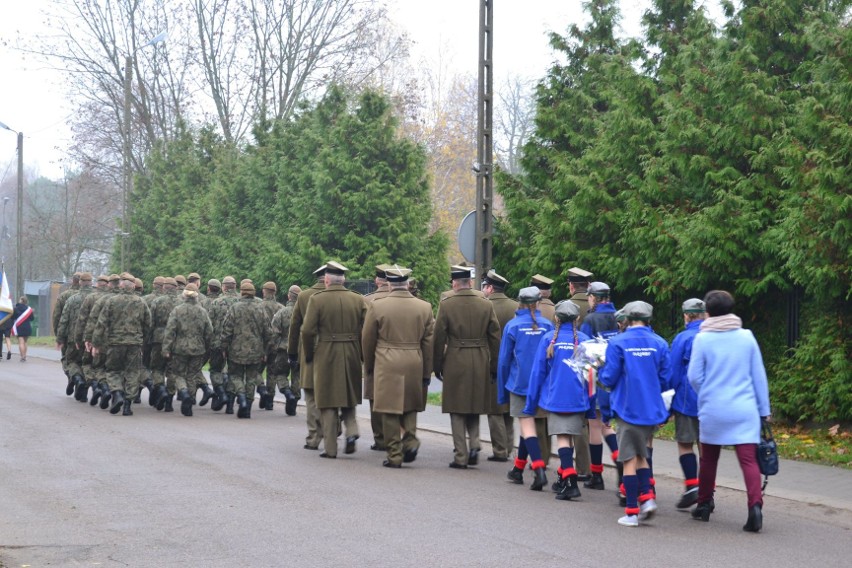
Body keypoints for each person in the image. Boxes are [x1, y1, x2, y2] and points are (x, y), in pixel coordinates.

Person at [687, 290, 770, 533]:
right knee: (748, 460)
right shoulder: (746, 337)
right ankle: (755, 506)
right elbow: (759, 376)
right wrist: (764, 410)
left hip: (714, 409)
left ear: (707, 313)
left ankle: (703, 505)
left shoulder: (702, 339)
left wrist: (708, 392)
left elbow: (694, 376)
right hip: (744, 409)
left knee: (709, 459)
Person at [598, 301, 670, 527]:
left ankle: (631, 511)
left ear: (626, 319)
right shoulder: (659, 343)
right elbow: (666, 379)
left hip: (628, 407)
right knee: (641, 455)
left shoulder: (618, 342)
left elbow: (609, 378)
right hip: (652, 408)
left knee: (628, 458)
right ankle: (647, 498)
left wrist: (599, 369)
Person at [361, 266, 435, 468]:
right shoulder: (424, 307)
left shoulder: (377, 306)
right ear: (407, 283)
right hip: (414, 360)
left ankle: (394, 454)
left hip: (386, 360)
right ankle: (410, 440)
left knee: (388, 407)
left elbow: (367, 339)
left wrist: (369, 365)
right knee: (410, 405)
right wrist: (427, 371)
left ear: (389, 283)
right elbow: (429, 343)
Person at [433, 265, 501, 469]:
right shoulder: (485, 303)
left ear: (454, 283)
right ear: (470, 282)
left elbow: (438, 338)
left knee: (457, 407)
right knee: (474, 403)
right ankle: (475, 443)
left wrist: (437, 365)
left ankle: (461, 455)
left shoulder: (447, 304)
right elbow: (495, 337)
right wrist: (494, 366)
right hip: (480, 357)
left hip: (456, 358)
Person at [526, 300, 591, 500]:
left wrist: (531, 403)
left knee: (562, 437)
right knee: (569, 435)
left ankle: (570, 482)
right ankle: (564, 476)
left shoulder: (548, 340)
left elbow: (538, 373)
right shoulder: (584, 340)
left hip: (555, 396)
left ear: (556, 318)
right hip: (578, 398)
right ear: (577, 319)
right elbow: (591, 376)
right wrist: (590, 404)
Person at [301, 261, 366, 458]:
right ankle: (352, 431)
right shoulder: (358, 299)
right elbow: (368, 328)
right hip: (352, 351)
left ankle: (330, 448)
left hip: (326, 352)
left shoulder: (317, 299)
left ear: (327, 280)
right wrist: (362, 354)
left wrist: (310, 354)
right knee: (349, 397)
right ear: (344, 280)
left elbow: (307, 330)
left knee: (327, 401)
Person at [498, 286, 554, 489]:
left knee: (527, 425)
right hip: (541, 383)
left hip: (519, 383)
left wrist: (502, 391)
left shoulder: (512, 326)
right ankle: (518, 469)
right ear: (538, 303)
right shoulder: (548, 326)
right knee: (526, 426)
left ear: (519, 302)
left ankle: (539, 470)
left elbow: (504, 361)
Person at [578, 281, 621, 492]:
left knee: (595, 424)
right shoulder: (619, 317)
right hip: (616, 378)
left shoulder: (590, 319)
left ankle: (597, 475)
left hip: (595, 377)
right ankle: (620, 460)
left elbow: (582, 350)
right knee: (607, 425)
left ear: (593, 297)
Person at [91, 273, 152, 416]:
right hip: (134, 343)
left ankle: (117, 394)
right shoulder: (141, 302)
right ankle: (127, 405)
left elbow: (101, 323)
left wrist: (96, 343)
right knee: (132, 372)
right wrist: (141, 339)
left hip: (115, 342)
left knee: (113, 371)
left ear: (121, 286)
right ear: (134, 287)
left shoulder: (112, 301)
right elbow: (148, 324)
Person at [666, 298, 706, 509]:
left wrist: (669, 402)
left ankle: (692, 486)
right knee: (706, 447)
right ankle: (708, 494)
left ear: (687, 316)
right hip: (711, 401)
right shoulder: (714, 335)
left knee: (685, 443)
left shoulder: (683, 338)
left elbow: (673, 373)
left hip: (687, 400)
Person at [288, 264, 327, 450]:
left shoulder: (304, 296)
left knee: (311, 395)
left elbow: (295, 327)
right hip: (335, 350)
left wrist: (292, 352)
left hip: (308, 349)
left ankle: (314, 436)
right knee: (332, 394)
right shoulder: (343, 295)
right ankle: (332, 429)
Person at [162, 283, 214, 417]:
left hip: (180, 348)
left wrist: (166, 349)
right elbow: (209, 332)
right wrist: (207, 347)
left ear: (184, 295)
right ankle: (189, 402)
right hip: (198, 348)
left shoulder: (177, 310)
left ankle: (183, 392)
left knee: (178, 374)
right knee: (192, 376)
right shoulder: (202, 311)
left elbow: (170, 331)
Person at [481, 269, 518, 462]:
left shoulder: (485, 306)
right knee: (508, 409)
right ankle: (509, 447)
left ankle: (500, 450)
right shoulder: (516, 306)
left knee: (494, 409)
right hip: (513, 364)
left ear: (489, 288)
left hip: (491, 362)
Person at [220, 281, 269, 419]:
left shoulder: (235, 308)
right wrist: (265, 351)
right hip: (255, 350)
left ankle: (240, 396)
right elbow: (268, 332)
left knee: (235, 376)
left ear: (241, 292)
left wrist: (223, 347)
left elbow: (227, 330)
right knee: (252, 379)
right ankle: (247, 407)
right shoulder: (260, 309)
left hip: (236, 349)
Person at [566, 266, 594, 481]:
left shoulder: (569, 307)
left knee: (572, 421)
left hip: (573, 366)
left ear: (572, 286)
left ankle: (574, 467)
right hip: (595, 367)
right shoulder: (597, 305)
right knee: (590, 420)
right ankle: (588, 467)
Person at [363, 264, 392, 451]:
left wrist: (366, 359)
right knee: (396, 398)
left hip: (376, 355)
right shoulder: (406, 299)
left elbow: (365, 334)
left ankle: (380, 438)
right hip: (402, 355)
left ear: (376, 281)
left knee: (375, 398)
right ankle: (396, 437)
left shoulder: (367, 300)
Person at [56, 272, 94, 401]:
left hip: (71, 337)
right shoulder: (98, 298)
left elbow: (60, 318)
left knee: (71, 361)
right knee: (88, 363)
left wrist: (59, 336)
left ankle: (76, 379)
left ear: (75, 281)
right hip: (92, 338)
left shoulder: (67, 297)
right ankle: (82, 390)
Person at [148, 277, 181, 411]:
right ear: (176, 288)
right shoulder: (181, 302)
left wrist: (148, 340)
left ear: (163, 288)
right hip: (176, 339)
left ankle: (160, 388)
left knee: (157, 368)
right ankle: (169, 400)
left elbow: (150, 323)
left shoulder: (157, 301)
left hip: (158, 338)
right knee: (172, 370)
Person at [269, 285, 301, 415]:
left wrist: (274, 347)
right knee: (297, 376)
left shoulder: (282, 312)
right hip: (300, 351)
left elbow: (274, 332)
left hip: (283, 350)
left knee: (280, 374)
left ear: (289, 296)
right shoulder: (305, 312)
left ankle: (287, 392)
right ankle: (294, 399)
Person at [258, 281, 284, 411]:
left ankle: (262, 390)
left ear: (264, 291)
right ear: (275, 292)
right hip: (276, 345)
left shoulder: (259, 306)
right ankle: (270, 400)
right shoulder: (281, 308)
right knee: (272, 373)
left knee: (256, 371)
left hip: (260, 345)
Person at [53, 272, 81, 377]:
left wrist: (58, 335)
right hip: (86, 335)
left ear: (72, 281)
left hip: (68, 334)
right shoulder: (91, 296)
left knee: (67, 358)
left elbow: (57, 317)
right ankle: (79, 379)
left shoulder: (64, 296)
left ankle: (74, 377)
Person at [12, 296, 34, 362]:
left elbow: (13, 317)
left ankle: (22, 357)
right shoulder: (29, 309)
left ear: (21, 300)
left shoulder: (16, 309)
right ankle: (25, 356)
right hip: (27, 327)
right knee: (25, 342)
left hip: (19, 327)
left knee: (21, 342)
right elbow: (32, 319)